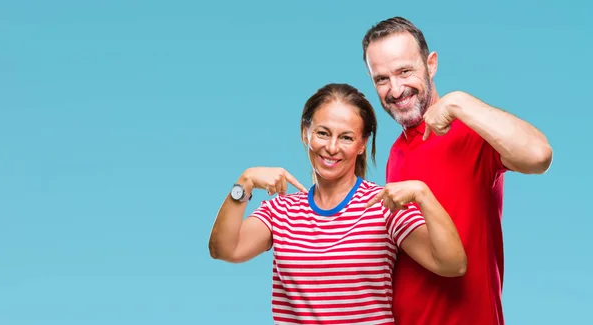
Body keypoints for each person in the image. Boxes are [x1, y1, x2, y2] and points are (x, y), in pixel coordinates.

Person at [208, 83, 467, 324]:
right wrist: (245, 182)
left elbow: (452, 264)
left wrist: (424, 194)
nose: (331, 147)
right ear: (304, 133)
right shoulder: (280, 211)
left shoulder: (383, 205)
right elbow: (224, 250)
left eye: (346, 137)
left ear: (362, 144)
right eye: (322, 133)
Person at [361, 16, 554, 325]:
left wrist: (459, 102)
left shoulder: (471, 130)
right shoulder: (396, 152)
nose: (395, 89)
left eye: (404, 71)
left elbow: (539, 155)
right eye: (381, 79)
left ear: (431, 64)